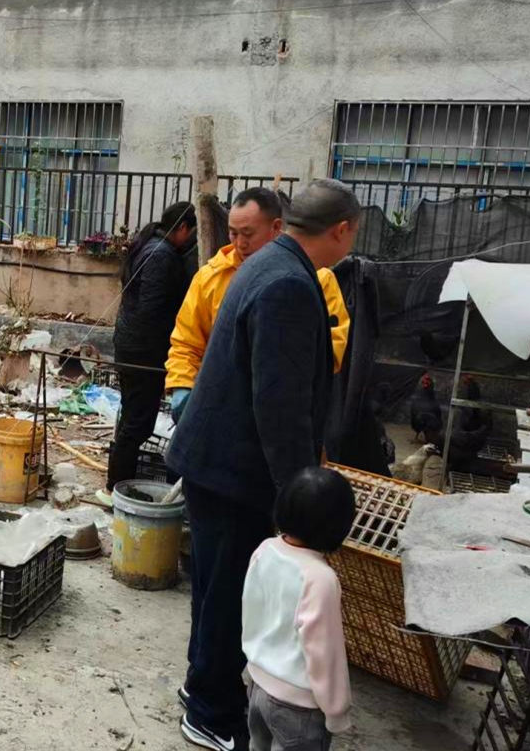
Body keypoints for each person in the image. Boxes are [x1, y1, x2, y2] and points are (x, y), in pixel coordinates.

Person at [167, 178, 361, 751]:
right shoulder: (288, 284)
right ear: (342, 229)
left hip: (217, 463)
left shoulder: (269, 264)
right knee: (229, 596)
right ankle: (210, 713)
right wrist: (299, 500)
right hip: (235, 471)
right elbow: (279, 405)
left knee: (214, 589)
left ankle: (202, 686)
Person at [165, 188, 350, 423]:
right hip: (215, 408)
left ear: (276, 227)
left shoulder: (316, 279)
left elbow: (332, 348)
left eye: (248, 234)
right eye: (233, 233)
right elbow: (186, 342)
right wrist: (183, 387)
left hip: (284, 411)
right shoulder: (211, 277)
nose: (240, 244)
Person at [243, 467, 356, 751]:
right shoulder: (320, 579)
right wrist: (337, 710)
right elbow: (325, 652)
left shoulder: (265, 550)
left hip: (257, 685)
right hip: (298, 708)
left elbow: (251, 611)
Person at [97, 201, 197, 507]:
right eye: (192, 234)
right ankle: (116, 488)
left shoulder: (151, 245)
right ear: (182, 228)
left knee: (132, 418)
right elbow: (152, 311)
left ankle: (117, 485)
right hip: (142, 352)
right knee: (137, 423)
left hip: (132, 346)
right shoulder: (161, 255)